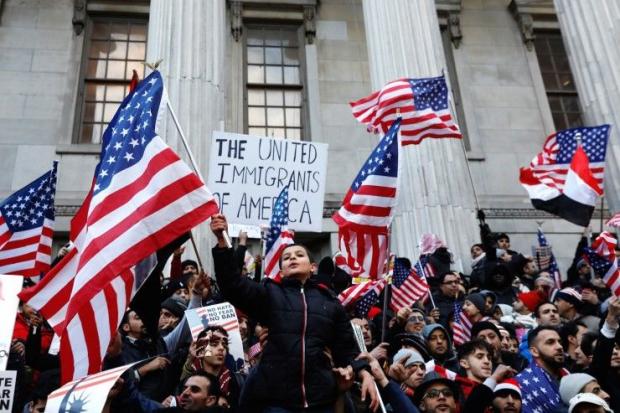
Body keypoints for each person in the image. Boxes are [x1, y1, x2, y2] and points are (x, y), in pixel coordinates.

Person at [209, 214, 378, 412]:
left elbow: (346, 349)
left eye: (299, 255)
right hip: (277, 401)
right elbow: (232, 285)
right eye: (287, 258)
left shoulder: (330, 302)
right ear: (281, 272)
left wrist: (364, 373)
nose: (293, 258)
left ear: (312, 267)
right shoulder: (269, 293)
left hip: (321, 400)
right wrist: (222, 240)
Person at [516, 326, 566, 413]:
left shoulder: (569, 375)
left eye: (560, 342)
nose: (559, 347)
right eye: (550, 342)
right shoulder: (522, 384)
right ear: (534, 351)